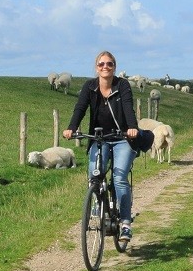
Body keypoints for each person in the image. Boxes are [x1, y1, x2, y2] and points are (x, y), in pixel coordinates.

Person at [63, 51, 151, 244]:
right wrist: (71, 127)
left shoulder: (122, 85)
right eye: (101, 64)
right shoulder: (89, 87)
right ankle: (97, 206)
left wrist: (132, 129)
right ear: (96, 67)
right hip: (99, 137)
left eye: (109, 64)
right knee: (95, 174)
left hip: (121, 138)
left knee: (119, 178)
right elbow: (80, 108)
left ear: (114, 67)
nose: (105, 67)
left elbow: (128, 108)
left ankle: (126, 222)